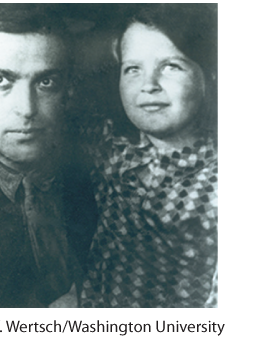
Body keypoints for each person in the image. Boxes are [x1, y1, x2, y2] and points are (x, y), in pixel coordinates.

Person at [0, 4, 97, 308]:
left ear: (68, 90)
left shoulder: (107, 177)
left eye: (45, 83)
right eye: (1, 80)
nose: (26, 109)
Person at [79, 3, 218, 307]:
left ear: (209, 77)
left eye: (171, 66)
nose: (149, 85)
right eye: (132, 69)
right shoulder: (111, 148)